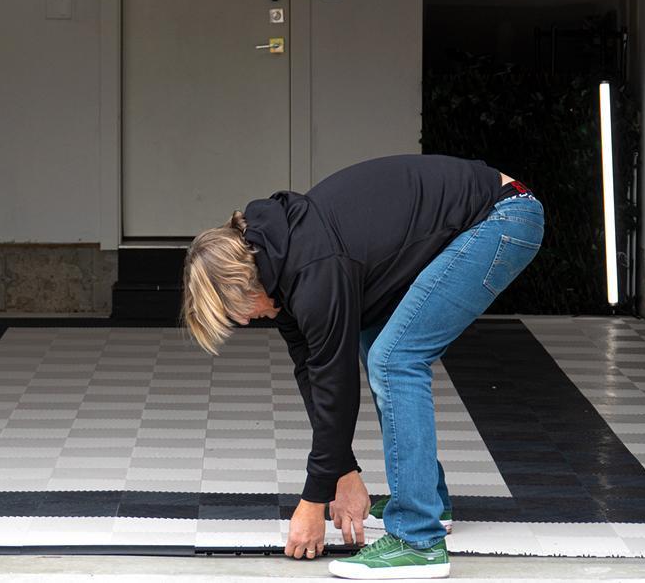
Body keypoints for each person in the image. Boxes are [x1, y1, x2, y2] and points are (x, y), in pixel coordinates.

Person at [181, 154, 543, 580]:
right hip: (487, 216)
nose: (241, 321)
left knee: (395, 358)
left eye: (234, 309)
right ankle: (428, 499)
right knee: (378, 343)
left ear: (243, 279)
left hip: (502, 217)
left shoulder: (312, 271)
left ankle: (418, 540)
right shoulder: (280, 261)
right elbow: (312, 372)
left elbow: (337, 388)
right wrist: (343, 472)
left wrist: (312, 503)